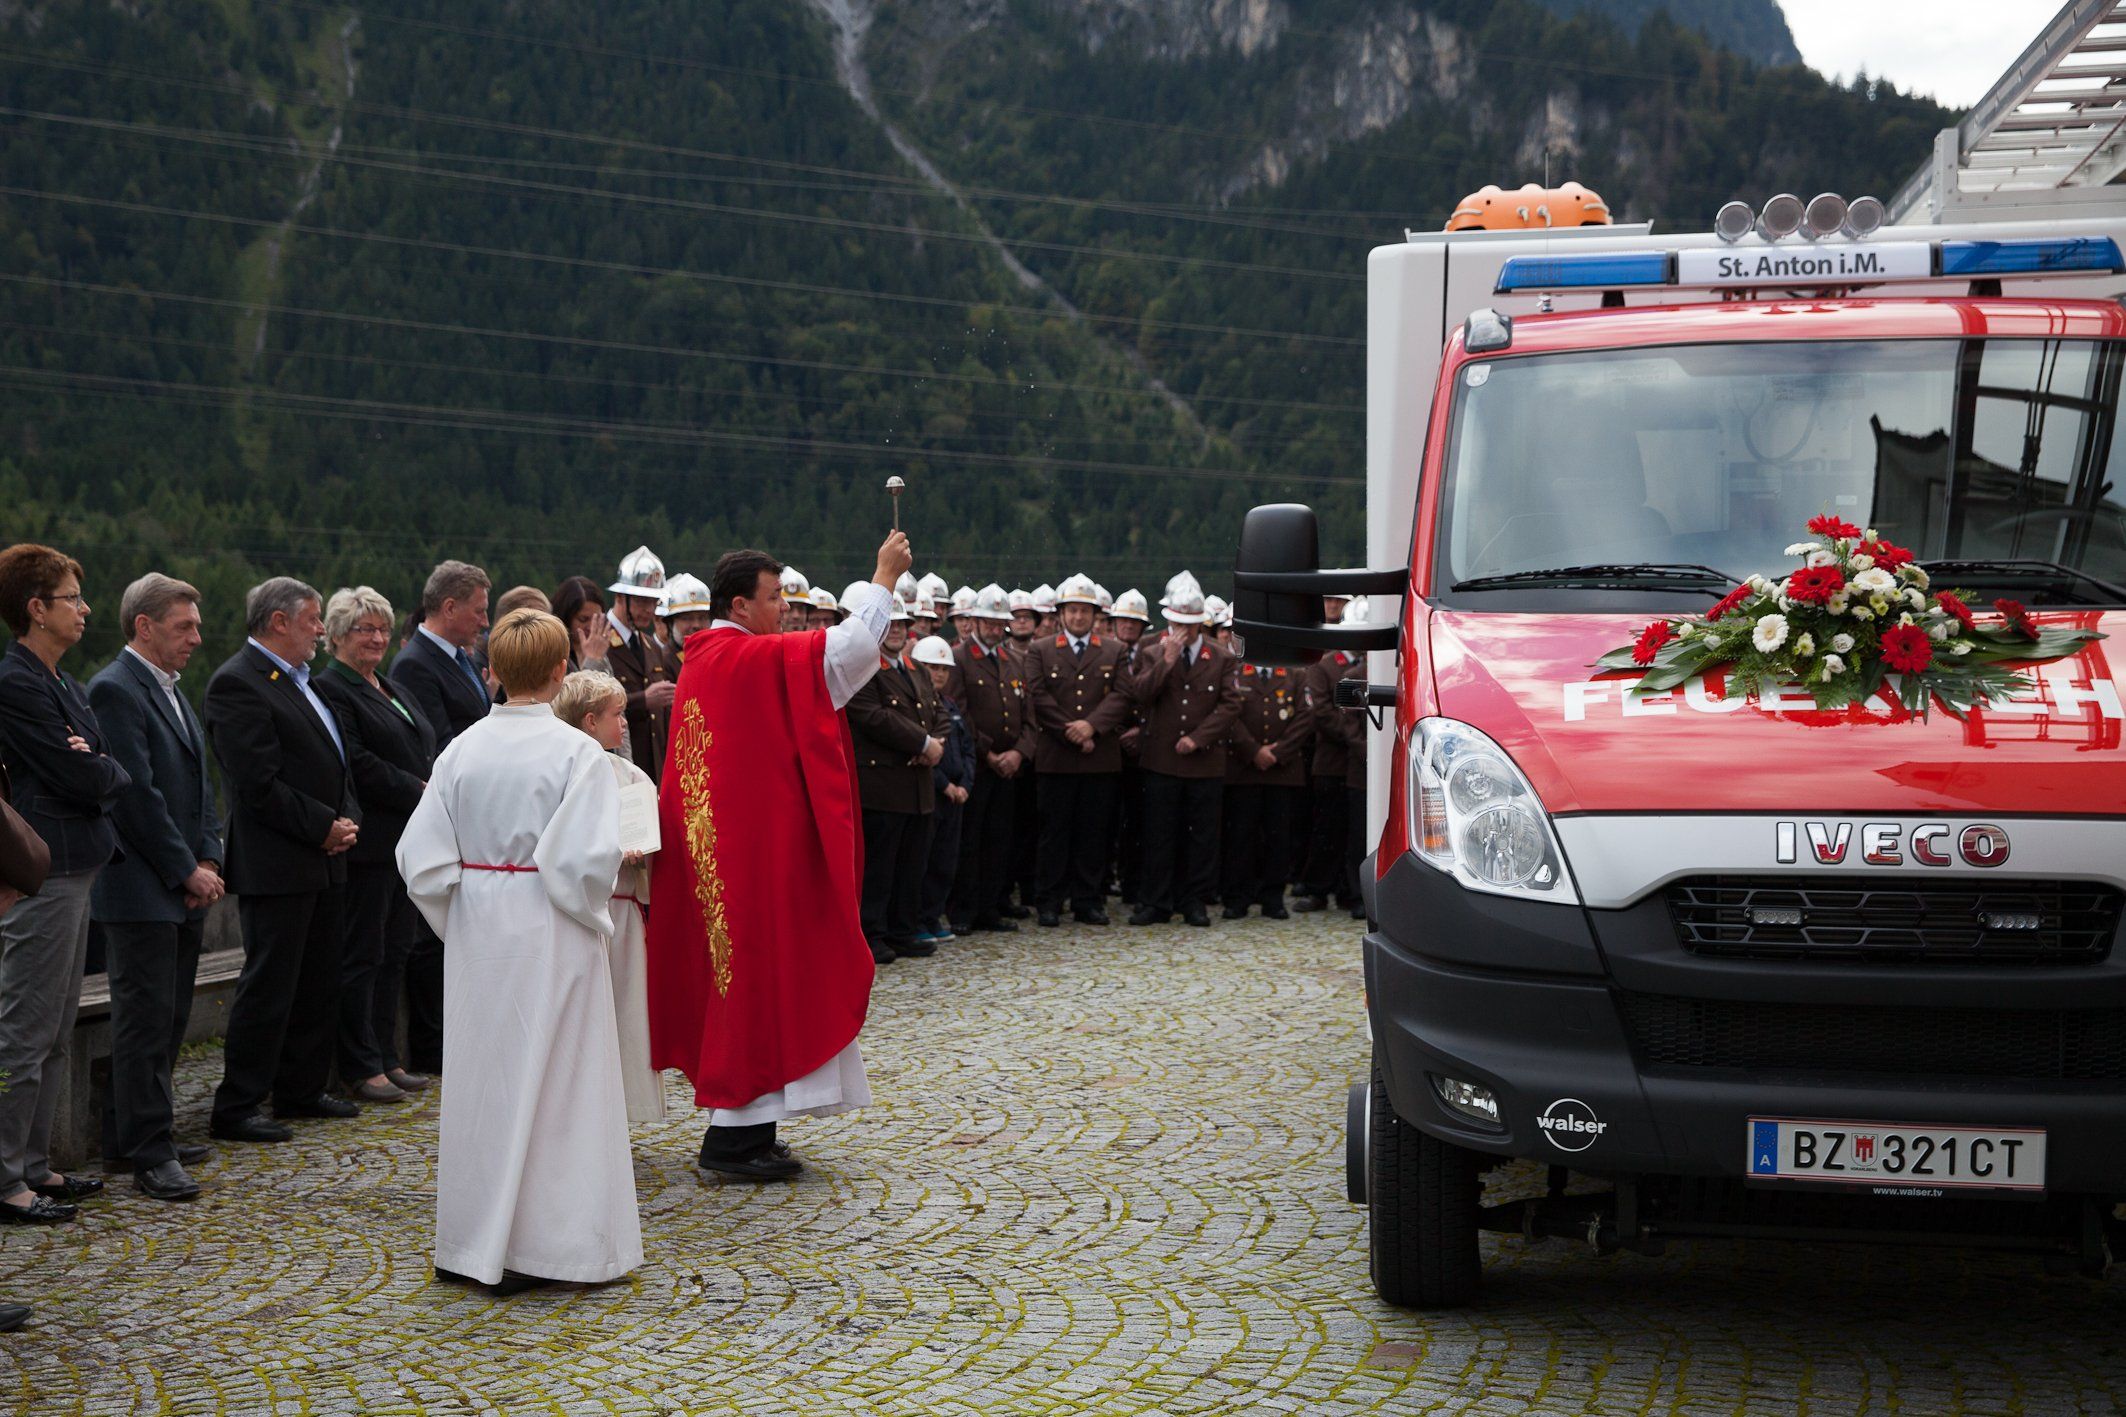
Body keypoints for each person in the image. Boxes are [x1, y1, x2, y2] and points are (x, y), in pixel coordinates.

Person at [646, 532, 910, 1183]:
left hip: (734, 853)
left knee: (753, 986)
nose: (784, 609)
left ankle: (750, 1132)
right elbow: (846, 654)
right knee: (754, 985)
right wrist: (883, 577)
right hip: (742, 860)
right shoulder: (736, 656)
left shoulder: (713, 656)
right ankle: (732, 1140)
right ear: (740, 605)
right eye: (774, 598)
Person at [396, 609, 637, 1296]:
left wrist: (464, 917)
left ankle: (471, 1243)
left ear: (494, 668)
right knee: (562, 1084)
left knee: (483, 1083)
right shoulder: (577, 753)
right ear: (562, 670)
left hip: (481, 927)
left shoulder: (460, 750)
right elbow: (584, 862)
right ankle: (550, 1247)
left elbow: (420, 859)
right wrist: (591, 913)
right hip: (553, 927)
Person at [204, 577, 362, 1144]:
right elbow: (257, 783)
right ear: (278, 621)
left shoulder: (301, 679)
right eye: (313, 619)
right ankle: (239, 1104)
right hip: (278, 861)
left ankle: (300, 1088)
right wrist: (322, 826)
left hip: (324, 855)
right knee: (270, 984)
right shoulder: (237, 683)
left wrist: (344, 820)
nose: (320, 630)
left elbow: (335, 759)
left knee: (318, 979)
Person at [0, 543, 128, 1224]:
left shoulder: (65, 684)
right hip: (43, 873)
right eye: (72, 598)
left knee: (54, 1028)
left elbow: (106, 765)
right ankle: (6, 1180)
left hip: (79, 864)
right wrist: (97, 763)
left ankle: (34, 1164)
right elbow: (81, 773)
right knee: (24, 1030)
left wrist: (98, 763)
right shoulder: (16, 683)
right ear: (36, 608)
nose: (84, 609)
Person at [87, 573, 224, 1200]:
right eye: (184, 626)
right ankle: (150, 1152)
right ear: (144, 626)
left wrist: (208, 857)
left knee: (167, 1018)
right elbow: (136, 796)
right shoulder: (116, 689)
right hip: (140, 888)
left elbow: (199, 785)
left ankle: (131, 1135)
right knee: (143, 1022)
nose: (196, 637)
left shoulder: (170, 688)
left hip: (179, 884)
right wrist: (184, 868)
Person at [314, 586, 437, 1104]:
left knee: (395, 951)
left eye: (383, 629)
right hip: (369, 844)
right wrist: (417, 788)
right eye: (365, 629)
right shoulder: (332, 688)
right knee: (363, 953)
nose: (377, 638)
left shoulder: (387, 685)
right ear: (338, 634)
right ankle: (360, 1063)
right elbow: (357, 761)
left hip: (405, 842)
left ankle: (387, 1055)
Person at [553, 669, 663, 1124]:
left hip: (623, 911)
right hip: (581, 912)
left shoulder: (629, 773)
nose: (624, 723)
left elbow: (651, 830)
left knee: (626, 1015)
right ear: (589, 720)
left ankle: (622, 1112)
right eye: (617, 715)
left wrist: (646, 850)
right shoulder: (562, 770)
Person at [1125, 573, 1241, 928]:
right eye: (1177, 624)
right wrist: (1167, 661)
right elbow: (1140, 694)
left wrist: (1198, 738)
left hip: (1204, 763)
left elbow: (1230, 705)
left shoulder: (1220, 657)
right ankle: (1156, 901)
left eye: (1189, 625)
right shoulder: (1151, 651)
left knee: (1201, 837)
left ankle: (1194, 902)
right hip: (1161, 761)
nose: (1183, 631)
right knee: (1158, 835)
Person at [1023, 573, 1134, 928]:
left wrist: (1092, 726)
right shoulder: (1040, 650)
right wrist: (1071, 730)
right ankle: (1049, 901)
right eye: (1071, 610)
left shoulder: (1114, 650)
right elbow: (1037, 695)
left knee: (1094, 834)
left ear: (1095, 615)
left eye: (1084, 611)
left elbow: (1123, 694)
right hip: (1056, 757)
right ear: (1060, 614)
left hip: (1099, 757)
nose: (1078, 617)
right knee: (1053, 834)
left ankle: (1088, 901)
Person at [848, 594, 945, 964]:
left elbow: (939, 712)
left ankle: (903, 931)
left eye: (902, 624)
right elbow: (872, 716)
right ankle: (872, 934)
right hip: (883, 786)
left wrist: (936, 743)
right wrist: (922, 742)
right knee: (880, 867)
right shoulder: (863, 668)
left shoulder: (916, 669)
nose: (896, 631)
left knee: (912, 865)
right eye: (888, 624)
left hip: (917, 785)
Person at [945, 585, 1032, 934]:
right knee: (970, 840)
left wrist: (1019, 753)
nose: (995, 630)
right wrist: (989, 753)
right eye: (989, 623)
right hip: (976, 766)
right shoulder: (960, 658)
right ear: (976, 621)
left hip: (1008, 768)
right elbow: (960, 714)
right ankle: (963, 911)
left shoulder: (1013, 660)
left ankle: (990, 907)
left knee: (999, 840)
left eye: (1000, 624)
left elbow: (1028, 715)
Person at [1220, 660, 1313, 920]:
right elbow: (1228, 714)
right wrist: (1253, 751)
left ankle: (1273, 898)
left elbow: (1306, 716)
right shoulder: (1235, 671)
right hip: (1243, 769)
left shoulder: (1296, 673)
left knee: (1279, 839)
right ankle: (1238, 897)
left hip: (1282, 770)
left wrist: (1278, 752)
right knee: (1241, 838)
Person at [1295, 594, 1358, 914]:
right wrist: (1355, 737)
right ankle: (1317, 888)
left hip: (1360, 766)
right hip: (1333, 762)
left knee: (1355, 831)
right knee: (1327, 829)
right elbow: (1320, 712)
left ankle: (1349, 889)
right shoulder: (1325, 665)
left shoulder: (1375, 666)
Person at [390, 561, 492, 753]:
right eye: (479, 611)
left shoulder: (459, 656)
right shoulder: (413, 666)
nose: (485, 622)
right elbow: (439, 749)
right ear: (450, 608)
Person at [911, 634, 972, 949]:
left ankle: (933, 916)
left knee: (945, 861)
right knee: (924, 860)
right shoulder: (916, 705)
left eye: (944, 669)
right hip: (932, 793)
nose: (939, 674)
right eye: (932, 667)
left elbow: (967, 749)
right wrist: (945, 785)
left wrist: (965, 785)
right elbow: (923, 754)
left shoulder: (950, 705)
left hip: (955, 796)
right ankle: (918, 919)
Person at [604, 546, 678, 784]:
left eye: (653, 602)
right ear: (620, 597)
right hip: (617, 767)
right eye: (641, 601)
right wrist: (643, 700)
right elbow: (592, 704)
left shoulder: (651, 646)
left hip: (652, 769)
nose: (649, 610)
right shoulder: (599, 642)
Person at [1108, 590, 1153, 908]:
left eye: (1134, 622)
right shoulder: (1103, 652)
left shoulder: (1153, 653)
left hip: (1146, 748)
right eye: (1123, 620)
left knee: (1140, 821)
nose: (1128, 626)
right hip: (1107, 744)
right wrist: (1118, 731)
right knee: (1106, 820)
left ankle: (1134, 883)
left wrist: (1143, 730)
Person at [657, 575, 714, 661]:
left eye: (702, 618)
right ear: (671, 623)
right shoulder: (662, 661)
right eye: (687, 618)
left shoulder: (718, 657)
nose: (696, 625)